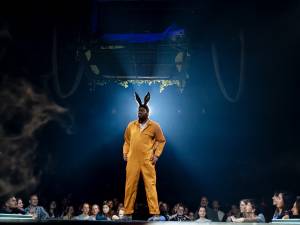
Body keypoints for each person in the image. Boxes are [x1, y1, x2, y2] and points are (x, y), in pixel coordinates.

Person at [123, 92, 166, 218]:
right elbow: (126, 141)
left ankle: (155, 213)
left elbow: (161, 140)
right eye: (138, 111)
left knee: (150, 186)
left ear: (147, 112)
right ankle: (127, 212)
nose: (139, 113)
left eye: (142, 111)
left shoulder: (155, 126)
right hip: (132, 160)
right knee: (130, 185)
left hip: (147, 160)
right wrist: (125, 153)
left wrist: (157, 155)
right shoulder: (131, 125)